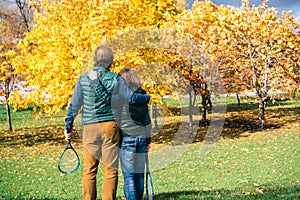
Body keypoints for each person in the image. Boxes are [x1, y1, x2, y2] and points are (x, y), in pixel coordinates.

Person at [63, 45, 150, 200]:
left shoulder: (83, 79)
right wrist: (147, 97)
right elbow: (130, 98)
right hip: (111, 126)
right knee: (110, 170)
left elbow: (74, 106)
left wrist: (68, 126)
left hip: (89, 127)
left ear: (95, 60)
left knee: (89, 170)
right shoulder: (115, 78)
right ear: (110, 61)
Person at [112, 68, 152, 200]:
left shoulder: (120, 96)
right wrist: (148, 140)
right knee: (139, 174)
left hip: (127, 138)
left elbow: (116, 117)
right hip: (141, 138)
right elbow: (147, 120)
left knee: (129, 176)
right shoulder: (143, 95)